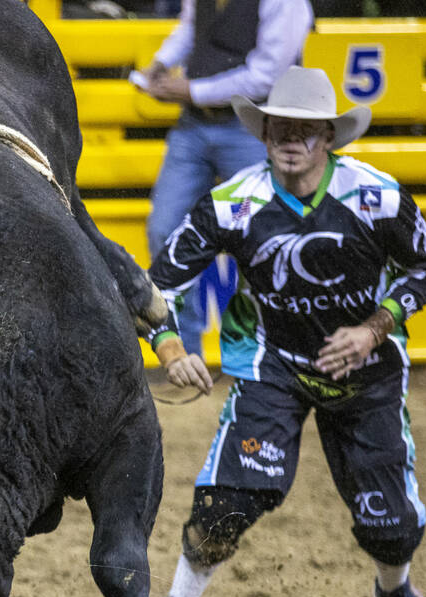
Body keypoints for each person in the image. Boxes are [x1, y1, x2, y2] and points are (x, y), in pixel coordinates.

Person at [142, 66, 426, 597]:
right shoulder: (235, 203)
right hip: (273, 363)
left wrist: (373, 328)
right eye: (279, 128)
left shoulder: (377, 197)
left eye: (305, 130)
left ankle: (395, 592)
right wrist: (170, 345)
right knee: (227, 503)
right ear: (262, 136)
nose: (291, 139)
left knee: (392, 526)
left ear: (329, 139)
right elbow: (159, 283)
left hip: (369, 371)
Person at [136, 0, 313, 357]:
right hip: (197, 124)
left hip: (254, 126)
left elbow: (268, 76)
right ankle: (183, 352)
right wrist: (160, 63)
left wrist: (190, 90)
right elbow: (191, 28)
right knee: (165, 228)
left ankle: (270, 352)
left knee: (262, 235)